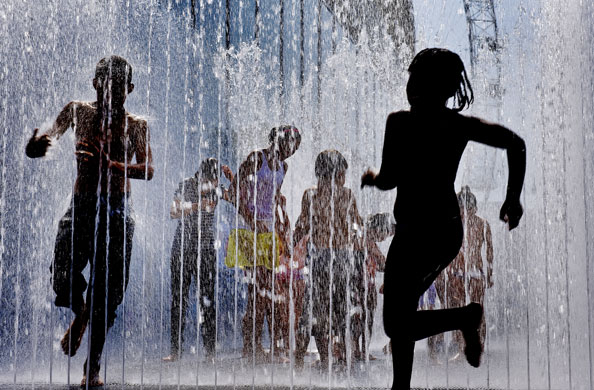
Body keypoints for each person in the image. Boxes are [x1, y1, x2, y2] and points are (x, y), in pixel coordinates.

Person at [360, 48, 526, 389]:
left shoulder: (400, 122)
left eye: (413, 77)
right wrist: (513, 198)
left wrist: (373, 177)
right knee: (402, 310)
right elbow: (516, 144)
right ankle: (401, 386)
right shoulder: (458, 125)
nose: (409, 84)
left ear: (419, 84)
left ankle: (465, 317)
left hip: (415, 231)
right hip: (445, 231)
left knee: (396, 322)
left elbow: (390, 179)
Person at [25, 55, 154, 387]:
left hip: (117, 210)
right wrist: (37, 146)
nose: (111, 94)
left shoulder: (137, 125)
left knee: (109, 294)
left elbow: (149, 169)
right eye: (106, 85)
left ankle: (92, 369)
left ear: (131, 89)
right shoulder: (77, 110)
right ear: (95, 84)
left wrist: (112, 165)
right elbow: (50, 135)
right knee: (61, 276)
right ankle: (82, 312)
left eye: (119, 88)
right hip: (80, 206)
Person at [224, 125, 301, 362]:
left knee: (269, 292)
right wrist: (252, 221)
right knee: (257, 292)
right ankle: (251, 346)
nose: (292, 151)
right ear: (278, 140)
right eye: (291, 145)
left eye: (296, 147)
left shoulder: (283, 167)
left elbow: (273, 195)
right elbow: (233, 192)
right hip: (250, 231)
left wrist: (282, 219)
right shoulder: (257, 158)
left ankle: (262, 346)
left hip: (269, 232)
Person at [293, 149, 364, 368]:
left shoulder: (315, 195)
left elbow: (302, 225)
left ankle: (322, 359)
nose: (343, 179)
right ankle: (331, 358)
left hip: (328, 258)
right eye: (342, 173)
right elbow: (358, 225)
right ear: (332, 174)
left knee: (317, 312)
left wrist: (294, 239)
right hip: (336, 259)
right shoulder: (341, 195)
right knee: (334, 311)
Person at [163, 158, 233, 362]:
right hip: (183, 249)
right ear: (200, 177)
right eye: (211, 181)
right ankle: (175, 350)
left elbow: (237, 199)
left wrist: (233, 179)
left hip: (206, 251)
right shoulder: (186, 184)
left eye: (216, 181)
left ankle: (210, 352)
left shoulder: (216, 188)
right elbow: (173, 211)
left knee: (207, 300)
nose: (213, 186)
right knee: (179, 299)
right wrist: (197, 205)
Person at [433, 185, 494, 361]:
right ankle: (475, 345)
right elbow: (489, 252)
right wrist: (489, 274)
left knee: (461, 310)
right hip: (474, 272)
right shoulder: (482, 223)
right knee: (477, 310)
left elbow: (446, 250)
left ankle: (464, 347)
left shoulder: (455, 223)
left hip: (460, 272)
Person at [351, 212, 395, 362]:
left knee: (366, 317)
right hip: (357, 284)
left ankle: (361, 350)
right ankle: (357, 350)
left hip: (366, 283)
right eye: (384, 234)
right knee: (359, 317)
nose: (384, 238)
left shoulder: (364, 238)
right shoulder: (364, 239)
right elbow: (383, 263)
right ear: (378, 229)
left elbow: (381, 265)